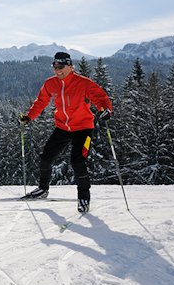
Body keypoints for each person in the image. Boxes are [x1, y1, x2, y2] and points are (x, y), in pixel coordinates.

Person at [19, 52, 113, 213]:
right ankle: (43, 189)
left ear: (70, 66)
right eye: (54, 67)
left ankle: (84, 197)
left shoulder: (83, 83)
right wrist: (29, 117)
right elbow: (41, 101)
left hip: (83, 129)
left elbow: (100, 97)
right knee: (45, 157)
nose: (57, 70)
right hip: (62, 128)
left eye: (60, 67)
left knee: (77, 161)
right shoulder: (50, 83)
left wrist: (106, 110)